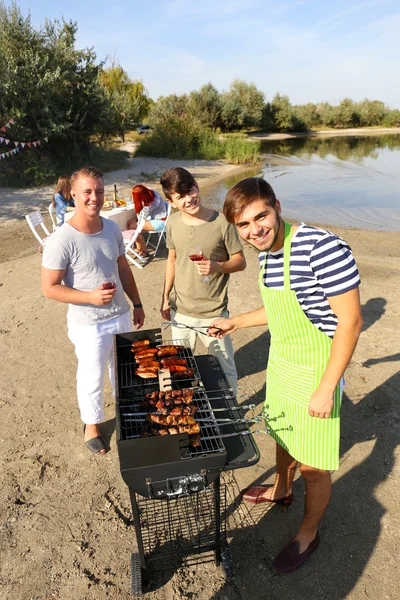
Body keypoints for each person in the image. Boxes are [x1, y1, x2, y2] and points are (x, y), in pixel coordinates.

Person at [209, 177, 363, 573]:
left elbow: (350, 322)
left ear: (277, 206)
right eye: (243, 225)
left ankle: (308, 534)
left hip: (316, 370)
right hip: (282, 364)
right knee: (282, 433)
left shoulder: (320, 247)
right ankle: (280, 489)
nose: (254, 229)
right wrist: (236, 322)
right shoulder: (268, 253)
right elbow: (280, 311)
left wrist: (327, 388)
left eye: (261, 216)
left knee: (314, 466)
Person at [41, 166, 145, 455]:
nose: (94, 197)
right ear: (72, 194)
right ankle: (91, 425)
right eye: (87, 191)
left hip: (121, 314)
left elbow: (123, 267)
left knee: (123, 370)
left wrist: (136, 303)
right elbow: (49, 287)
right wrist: (89, 296)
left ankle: (126, 414)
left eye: (98, 191)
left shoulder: (111, 227)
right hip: (89, 324)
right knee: (91, 376)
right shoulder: (62, 239)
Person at [159, 167, 246, 391]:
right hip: (181, 311)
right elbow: (172, 260)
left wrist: (216, 266)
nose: (189, 199)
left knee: (225, 369)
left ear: (197, 185)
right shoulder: (172, 223)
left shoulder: (222, 222)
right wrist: (165, 297)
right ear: (171, 202)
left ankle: (231, 418)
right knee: (176, 366)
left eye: (190, 191)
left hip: (214, 313)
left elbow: (240, 261)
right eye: (181, 197)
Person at [126, 184, 169, 256]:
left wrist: (135, 221)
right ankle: (140, 248)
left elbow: (142, 217)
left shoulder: (151, 204)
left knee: (132, 226)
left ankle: (144, 250)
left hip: (161, 221)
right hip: (158, 217)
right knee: (132, 224)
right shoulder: (151, 192)